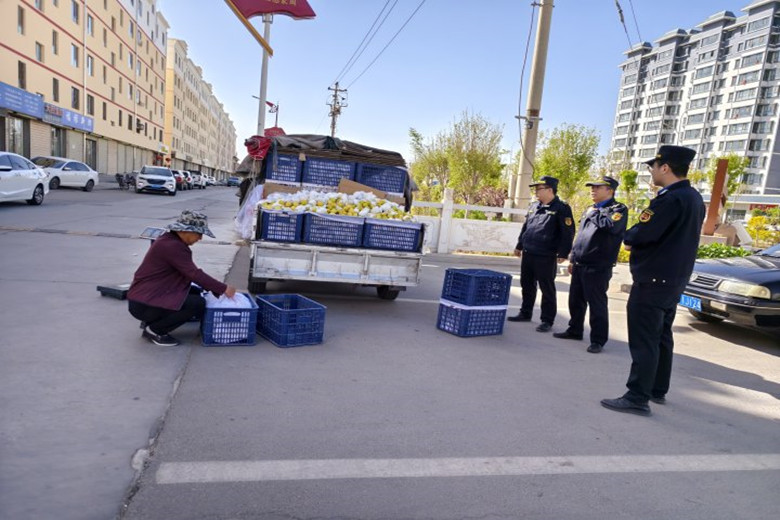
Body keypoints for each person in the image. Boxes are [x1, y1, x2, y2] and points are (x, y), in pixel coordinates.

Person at [601, 145, 705, 416]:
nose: (651, 172)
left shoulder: (669, 199)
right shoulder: (693, 197)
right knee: (661, 336)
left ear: (666, 167)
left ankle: (637, 396)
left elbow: (643, 232)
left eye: (653, 167)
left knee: (644, 339)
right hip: (673, 279)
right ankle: (658, 388)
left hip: (653, 279)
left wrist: (630, 238)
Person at [127, 210, 238, 346]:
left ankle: (153, 320)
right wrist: (223, 288)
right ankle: (156, 330)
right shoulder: (172, 246)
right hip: (144, 303)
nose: (200, 238)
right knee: (197, 304)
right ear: (186, 231)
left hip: (145, 297)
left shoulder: (169, 240)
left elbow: (189, 273)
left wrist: (214, 288)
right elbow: (194, 274)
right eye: (199, 234)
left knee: (195, 292)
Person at [553, 176, 627, 353]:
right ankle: (575, 330)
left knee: (596, 304)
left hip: (598, 265)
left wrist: (595, 213)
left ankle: (598, 340)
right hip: (580, 263)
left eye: (597, 187)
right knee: (575, 301)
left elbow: (610, 226)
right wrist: (573, 258)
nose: (593, 190)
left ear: (610, 190)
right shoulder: (590, 208)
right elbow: (581, 236)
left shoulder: (618, 209)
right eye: (592, 187)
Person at [508, 175, 575, 332]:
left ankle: (547, 320)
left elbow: (568, 232)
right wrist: (519, 245)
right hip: (529, 252)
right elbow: (526, 227)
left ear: (550, 190)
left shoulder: (561, 208)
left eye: (539, 189)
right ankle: (525, 312)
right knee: (527, 284)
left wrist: (563, 253)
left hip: (546, 254)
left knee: (547, 288)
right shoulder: (534, 206)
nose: (536, 192)